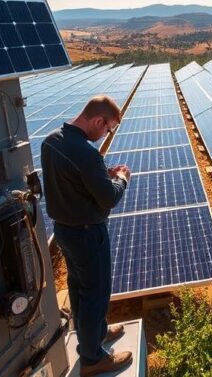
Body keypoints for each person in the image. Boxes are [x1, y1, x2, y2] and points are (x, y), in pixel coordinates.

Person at [41, 95, 133, 376]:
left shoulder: (51, 141)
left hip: (64, 232)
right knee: (95, 293)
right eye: (108, 128)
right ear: (98, 120)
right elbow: (107, 199)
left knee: (79, 289)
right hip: (88, 235)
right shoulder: (86, 154)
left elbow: (72, 179)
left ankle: (94, 335)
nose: (106, 134)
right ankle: (93, 360)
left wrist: (100, 174)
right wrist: (121, 179)